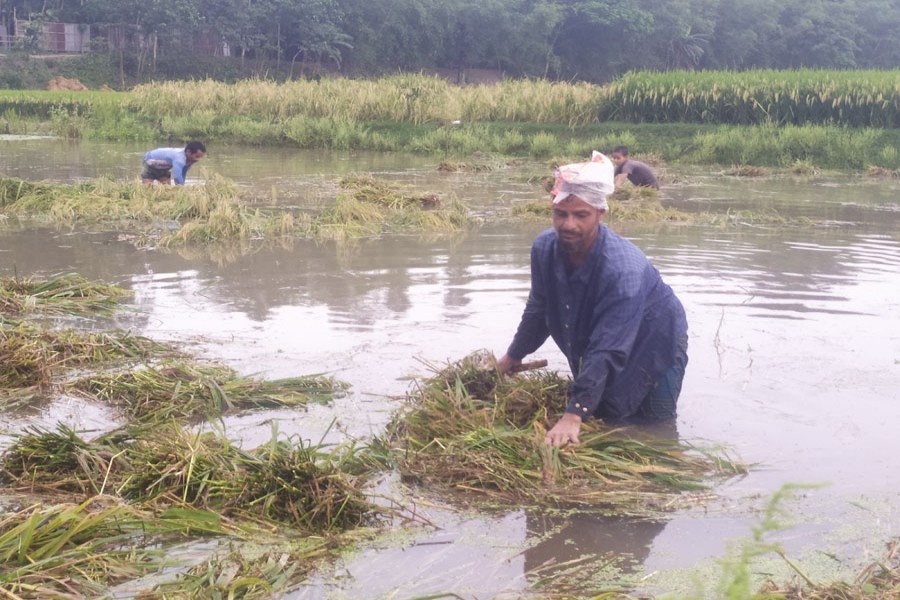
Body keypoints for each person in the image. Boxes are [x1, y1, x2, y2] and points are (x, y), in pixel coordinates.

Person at [496, 151, 688, 448]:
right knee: (609, 416)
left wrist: (574, 414)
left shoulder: (623, 268)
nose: (568, 224)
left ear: (600, 213)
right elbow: (539, 310)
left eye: (581, 215)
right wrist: (512, 356)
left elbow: (608, 348)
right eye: (561, 214)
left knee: (654, 428)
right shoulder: (544, 248)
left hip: (654, 340)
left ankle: (657, 481)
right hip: (604, 336)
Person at [141, 141, 206, 185]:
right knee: (147, 189)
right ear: (188, 152)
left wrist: (182, 186)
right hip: (150, 163)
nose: (198, 159)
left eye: (200, 157)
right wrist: (181, 189)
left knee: (167, 189)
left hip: (163, 168)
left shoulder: (189, 159)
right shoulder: (179, 158)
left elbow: (183, 173)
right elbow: (177, 177)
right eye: (197, 156)